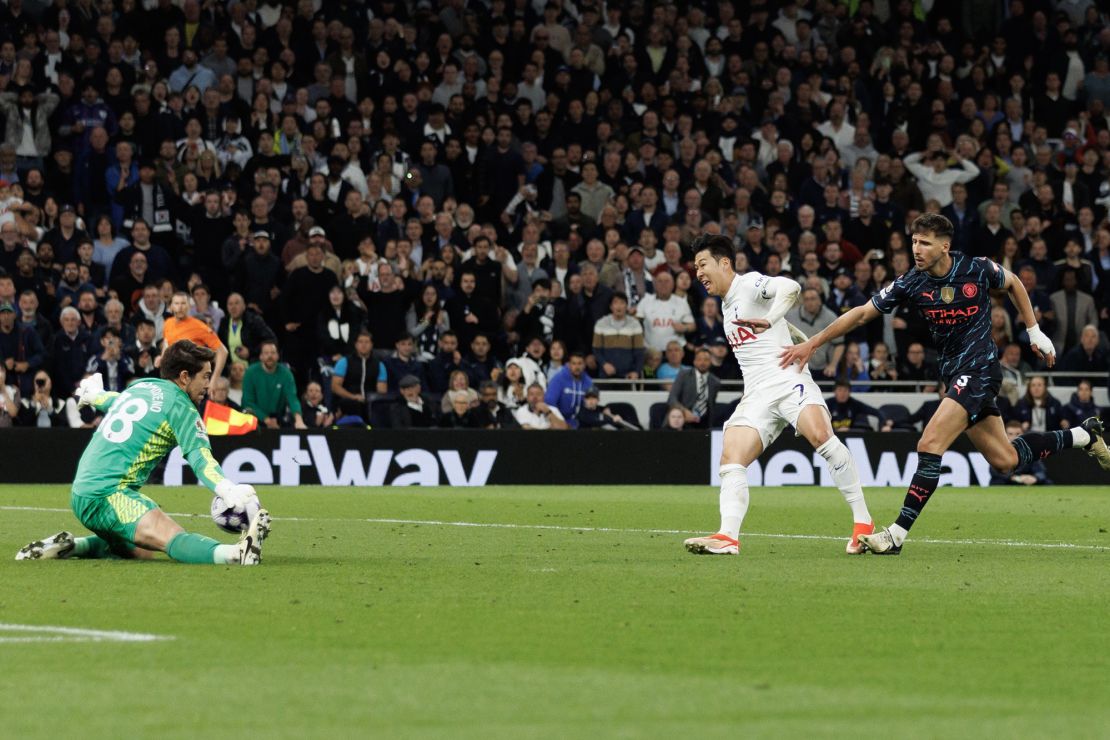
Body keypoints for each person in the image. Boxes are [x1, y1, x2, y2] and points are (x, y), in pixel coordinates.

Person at [781, 214, 1110, 555]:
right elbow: (864, 313)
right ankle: (1084, 435)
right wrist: (814, 342)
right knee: (1005, 460)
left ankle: (895, 535)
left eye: (924, 243)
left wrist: (1032, 330)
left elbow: (1013, 282)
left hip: (980, 369)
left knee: (930, 443)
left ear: (944, 245)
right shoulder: (911, 281)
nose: (916, 249)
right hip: (956, 376)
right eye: (913, 242)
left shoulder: (976, 268)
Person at [682, 234, 874, 557]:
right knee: (731, 457)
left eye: (703, 264)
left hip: (787, 379)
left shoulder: (749, 284)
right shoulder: (727, 307)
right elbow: (776, 328)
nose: (698, 273)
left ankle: (863, 523)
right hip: (757, 392)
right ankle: (728, 536)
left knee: (822, 437)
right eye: (696, 267)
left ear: (724, 263)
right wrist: (789, 331)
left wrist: (771, 319)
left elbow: (790, 289)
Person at [15, 341, 268, 565]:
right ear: (184, 377)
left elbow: (115, 400)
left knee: (142, 551)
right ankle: (236, 555)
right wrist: (226, 488)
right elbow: (200, 458)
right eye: (205, 376)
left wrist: (95, 396)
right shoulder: (182, 408)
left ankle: (73, 545)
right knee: (173, 538)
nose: (208, 385)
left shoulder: (143, 387)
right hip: (109, 494)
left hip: (82, 490)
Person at [161, 291, 228, 393]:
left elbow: (222, 352)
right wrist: (161, 358)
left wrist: (214, 380)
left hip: (193, 380)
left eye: (183, 303)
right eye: (177, 303)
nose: (180, 307)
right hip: (173, 379)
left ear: (189, 306)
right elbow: (166, 344)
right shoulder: (167, 323)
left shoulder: (199, 326)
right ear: (171, 306)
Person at [242, 340, 307, 429]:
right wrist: (266, 420)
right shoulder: (250, 372)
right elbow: (247, 402)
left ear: (277, 356)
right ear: (261, 356)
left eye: (273, 353)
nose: (270, 356)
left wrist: (299, 420)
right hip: (255, 418)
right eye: (266, 353)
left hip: (278, 418)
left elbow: (292, 398)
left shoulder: (286, 373)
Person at [666, 348, 720, 429]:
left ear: (710, 362)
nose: (702, 362)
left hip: (705, 423)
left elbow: (711, 406)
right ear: (694, 361)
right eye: (699, 359)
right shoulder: (684, 375)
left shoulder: (715, 381)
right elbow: (672, 399)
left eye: (706, 360)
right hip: (684, 420)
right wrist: (683, 412)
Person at [543, 351, 593, 428]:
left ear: (584, 365)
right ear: (569, 365)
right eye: (574, 363)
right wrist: (559, 422)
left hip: (582, 424)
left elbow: (593, 404)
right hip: (560, 423)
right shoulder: (558, 379)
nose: (577, 367)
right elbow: (550, 403)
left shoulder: (588, 382)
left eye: (580, 363)